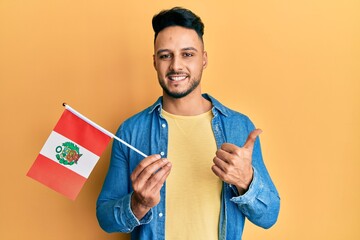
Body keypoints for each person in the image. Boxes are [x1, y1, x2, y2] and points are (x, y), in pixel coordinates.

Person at [96, 7, 280, 240]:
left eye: (187, 54)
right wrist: (138, 204)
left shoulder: (239, 126)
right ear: (155, 62)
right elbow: (105, 217)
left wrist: (246, 181)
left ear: (204, 59)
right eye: (165, 55)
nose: (175, 66)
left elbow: (269, 215)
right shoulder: (131, 131)